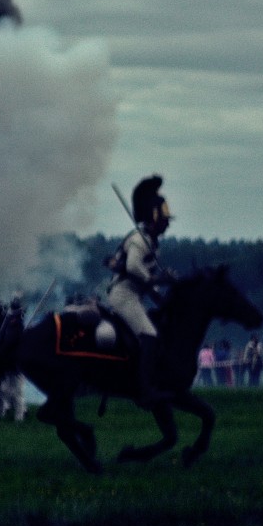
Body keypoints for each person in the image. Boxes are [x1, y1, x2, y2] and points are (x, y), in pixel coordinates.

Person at [106, 174, 175, 407]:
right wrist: (160, 279)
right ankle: (145, 391)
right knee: (150, 336)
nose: (167, 224)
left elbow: (149, 282)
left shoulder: (152, 244)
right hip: (124, 296)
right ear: (153, 217)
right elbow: (133, 267)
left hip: (134, 296)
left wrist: (160, 296)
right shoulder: (138, 240)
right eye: (164, 219)